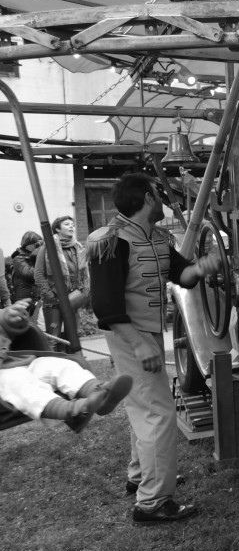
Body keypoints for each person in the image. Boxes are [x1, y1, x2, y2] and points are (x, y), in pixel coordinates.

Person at [89, 173, 223, 525]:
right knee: (158, 413)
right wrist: (139, 344)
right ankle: (152, 501)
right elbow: (105, 306)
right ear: (148, 198)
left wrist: (205, 265)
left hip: (145, 336)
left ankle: (140, 477)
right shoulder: (110, 242)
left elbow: (182, 276)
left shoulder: (157, 238)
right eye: (158, 193)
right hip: (130, 336)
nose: (162, 199)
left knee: (143, 407)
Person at [0, 299, 132, 432]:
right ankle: (72, 413)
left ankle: (99, 393)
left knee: (54, 364)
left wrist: (11, 317)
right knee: (18, 381)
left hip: (12, 362)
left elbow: (9, 327)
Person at [34, 216, 89, 353]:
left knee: (73, 338)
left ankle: (74, 363)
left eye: (72, 224)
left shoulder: (78, 248)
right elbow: (38, 275)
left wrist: (82, 293)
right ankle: (53, 364)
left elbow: (84, 275)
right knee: (54, 337)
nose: (71, 226)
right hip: (53, 304)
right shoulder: (47, 247)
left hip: (72, 301)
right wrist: (51, 296)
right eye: (67, 224)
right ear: (57, 229)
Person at [10, 231, 42, 315]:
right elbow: (30, 274)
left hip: (36, 300)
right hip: (24, 302)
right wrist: (38, 257)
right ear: (27, 245)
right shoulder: (18, 259)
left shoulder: (35, 257)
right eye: (36, 244)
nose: (38, 247)